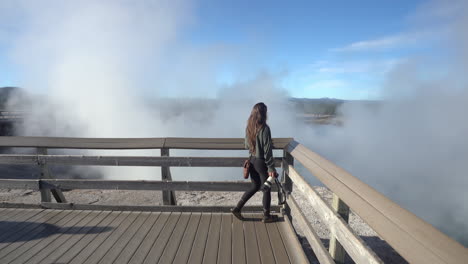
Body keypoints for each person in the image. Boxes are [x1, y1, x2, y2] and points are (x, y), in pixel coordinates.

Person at [231, 102, 278, 223]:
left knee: (255, 186)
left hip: (252, 161)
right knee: (266, 188)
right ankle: (266, 216)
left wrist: (256, 145)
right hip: (261, 163)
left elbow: (246, 145)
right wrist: (271, 168)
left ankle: (237, 208)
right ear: (263, 114)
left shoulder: (249, 127)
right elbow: (267, 152)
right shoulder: (265, 129)